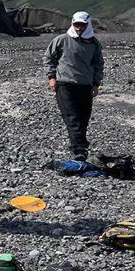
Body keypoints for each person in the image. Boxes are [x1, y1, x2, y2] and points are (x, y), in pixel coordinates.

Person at [43, 11, 104, 161]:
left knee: (84, 118)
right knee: (72, 117)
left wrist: (96, 84)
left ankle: (81, 146)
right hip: (65, 84)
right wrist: (51, 77)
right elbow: (49, 57)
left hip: (85, 85)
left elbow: (98, 64)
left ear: (87, 25)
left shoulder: (94, 44)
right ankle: (79, 149)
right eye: (76, 25)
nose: (79, 28)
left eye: (82, 25)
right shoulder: (61, 40)